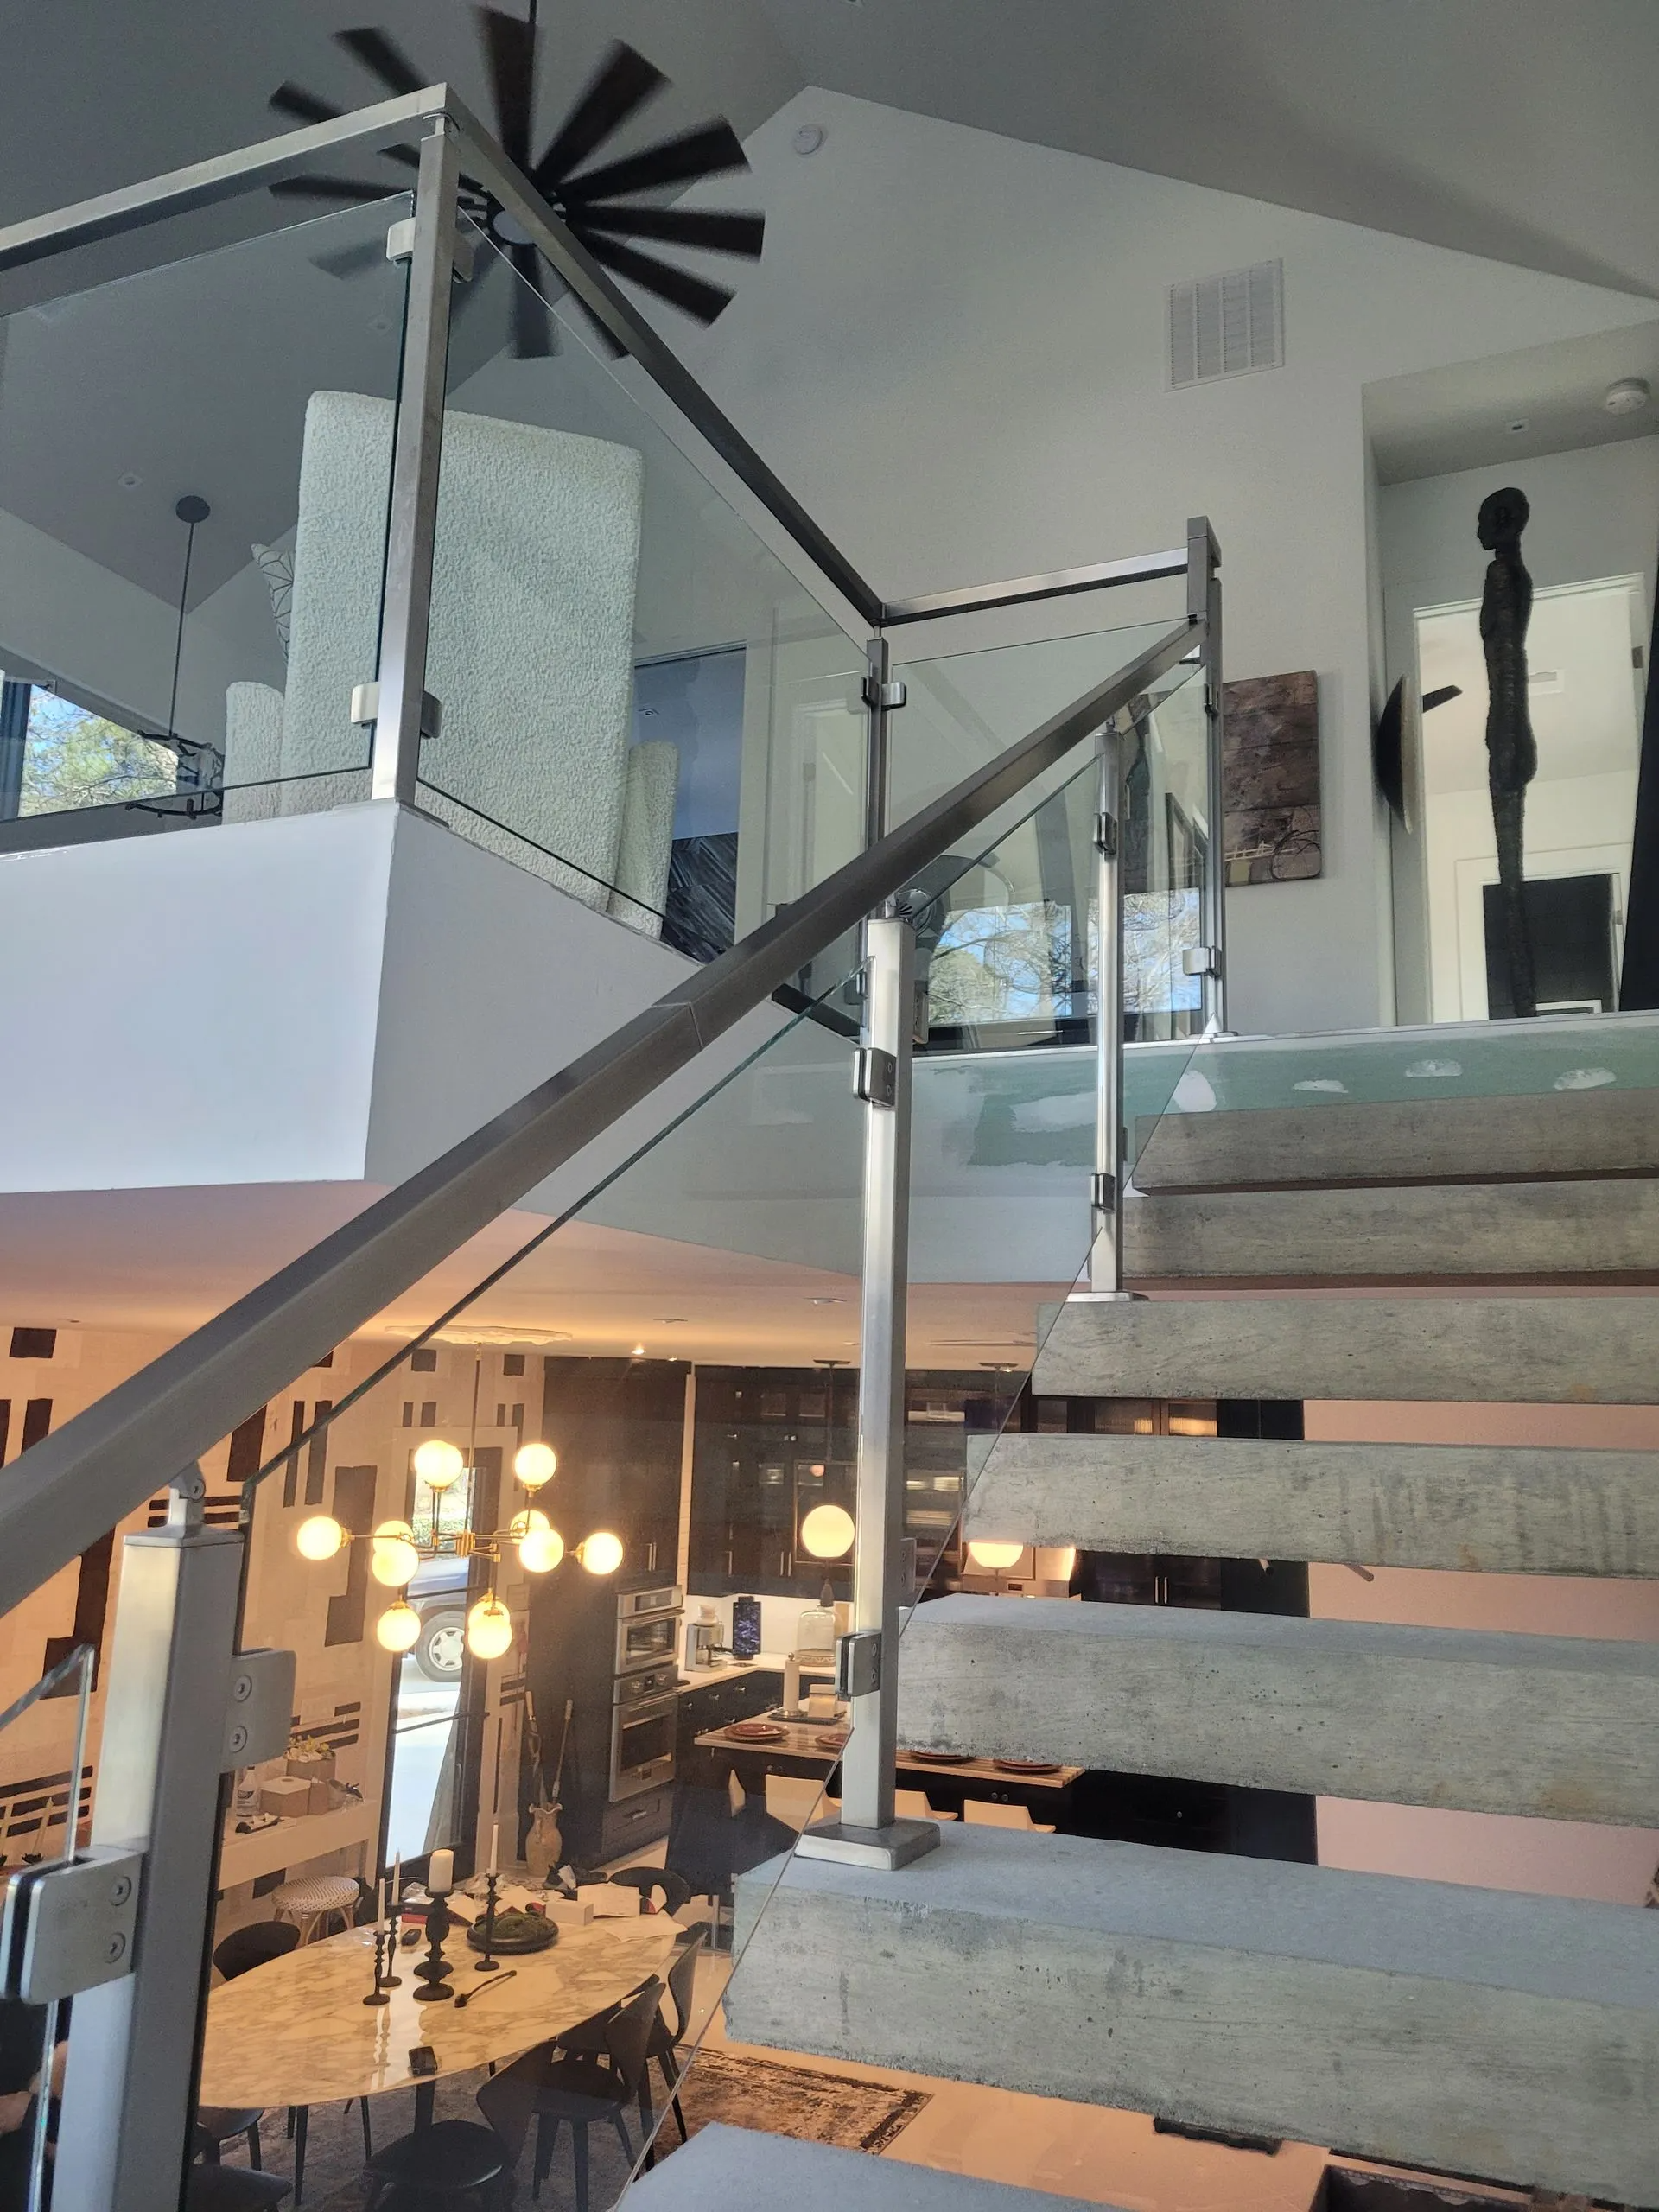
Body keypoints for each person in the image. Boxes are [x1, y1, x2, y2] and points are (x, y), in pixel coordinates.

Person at [1478, 486, 1539, 1017]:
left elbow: (1509, 665)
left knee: (1511, 880)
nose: (1477, 532)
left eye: (1484, 522)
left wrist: (1509, 741)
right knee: (1510, 880)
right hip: (1508, 731)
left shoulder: (1503, 574)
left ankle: (1525, 1007)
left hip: (1508, 735)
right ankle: (1524, 1005)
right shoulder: (1513, 574)